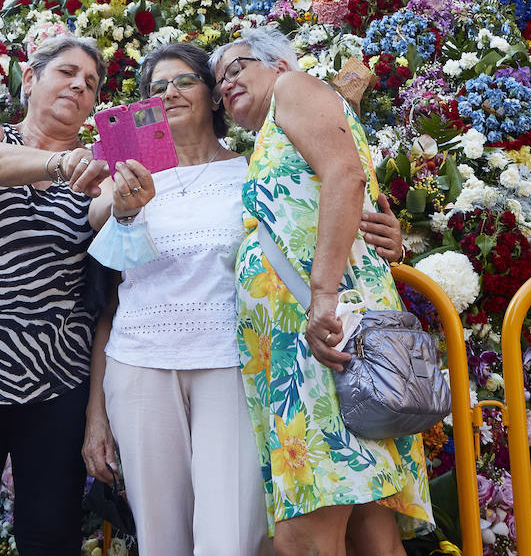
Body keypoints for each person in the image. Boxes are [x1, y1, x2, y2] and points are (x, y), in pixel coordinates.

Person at [82, 41, 405, 556]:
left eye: (184, 81)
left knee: (231, 539)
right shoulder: (131, 176)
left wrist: (387, 234)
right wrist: (122, 209)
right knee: (160, 541)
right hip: (140, 362)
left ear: (213, 98)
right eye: (157, 87)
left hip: (237, 365)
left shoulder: (256, 167)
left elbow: (334, 192)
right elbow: (107, 283)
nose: (170, 93)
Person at [212, 25, 433, 556]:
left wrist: (322, 296)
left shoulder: (295, 90)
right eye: (220, 83)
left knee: (304, 536)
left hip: (322, 339)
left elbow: (344, 173)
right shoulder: (277, 127)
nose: (227, 86)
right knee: (368, 532)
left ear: (280, 64)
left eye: (238, 68)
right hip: (317, 341)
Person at [0, 34, 132, 556]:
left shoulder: (96, 169)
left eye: (92, 83)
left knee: (50, 536)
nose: (80, 85)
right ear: (30, 79)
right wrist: (55, 166)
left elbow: (104, 214)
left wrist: (122, 201)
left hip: (53, 383)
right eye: (67, 72)